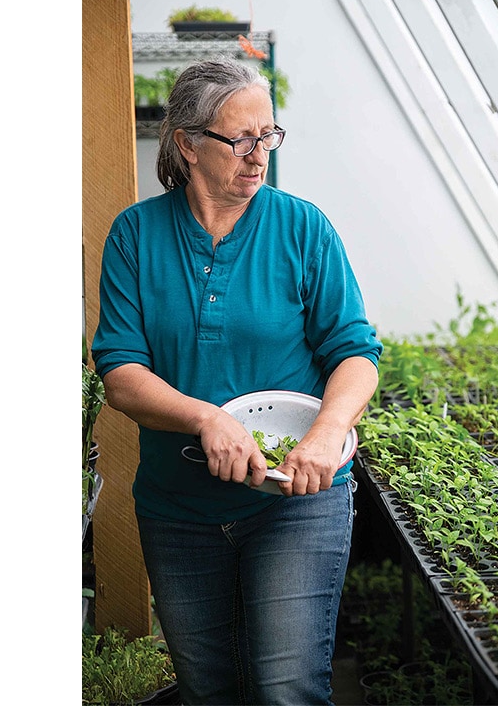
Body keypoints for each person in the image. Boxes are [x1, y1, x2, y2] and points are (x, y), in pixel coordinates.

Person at [91, 58, 383, 706]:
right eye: (241, 139)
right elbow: (120, 371)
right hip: (179, 510)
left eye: (268, 136)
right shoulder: (136, 235)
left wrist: (327, 435)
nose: (259, 156)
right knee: (209, 689)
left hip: (293, 501)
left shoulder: (302, 227)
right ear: (187, 144)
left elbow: (356, 352)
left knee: (286, 691)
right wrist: (207, 417)